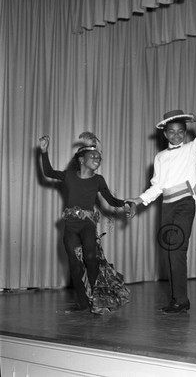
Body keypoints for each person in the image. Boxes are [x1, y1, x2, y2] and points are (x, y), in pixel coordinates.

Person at [127, 110, 196, 313]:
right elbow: (157, 186)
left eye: (180, 131)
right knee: (169, 251)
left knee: (177, 250)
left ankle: (181, 300)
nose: (176, 135)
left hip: (185, 202)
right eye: (172, 132)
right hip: (167, 205)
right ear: (165, 134)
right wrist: (138, 200)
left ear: (185, 132)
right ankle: (178, 299)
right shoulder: (160, 157)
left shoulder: (192, 149)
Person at [39, 133, 131, 314]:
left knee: (90, 258)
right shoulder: (69, 176)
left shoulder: (98, 180)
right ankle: (82, 302)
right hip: (71, 227)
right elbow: (48, 172)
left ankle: (99, 301)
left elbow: (111, 200)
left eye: (99, 157)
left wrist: (126, 204)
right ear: (81, 160)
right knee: (74, 265)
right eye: (93, 156)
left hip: (88, 225)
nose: (97, 159)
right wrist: (44, 151)